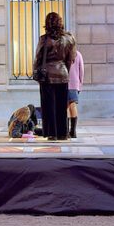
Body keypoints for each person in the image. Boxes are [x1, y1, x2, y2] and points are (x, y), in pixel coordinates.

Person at [33, 11, 76, 141]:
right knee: (62, 106)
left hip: (47, 76)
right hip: (62, 74)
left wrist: (37, 76)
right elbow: (70, 60)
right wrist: (65, 72)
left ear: (47, 24)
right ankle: (63, 133)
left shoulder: (44, 39)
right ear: (60, 23)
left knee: (48, 106)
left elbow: (38, 59)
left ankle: (52, 134)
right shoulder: (68, 39)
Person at [67, 35, 84, 138]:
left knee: (65, 107)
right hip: (74, 85)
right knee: (73, 106)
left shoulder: (63, 55)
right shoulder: (78, 55)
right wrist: (79, 86)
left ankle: (65, 131)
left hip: (64, 84)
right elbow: (81, 72)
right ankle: (73, 131)